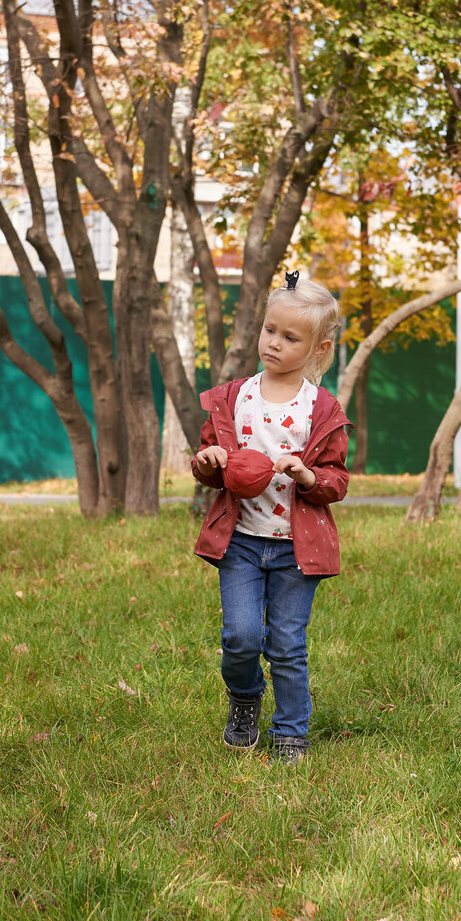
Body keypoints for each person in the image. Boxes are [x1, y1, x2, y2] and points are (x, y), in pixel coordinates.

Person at [190, 272, 350, 764]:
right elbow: (206, 465)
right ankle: (244, 698)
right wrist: (209, 462)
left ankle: (291, 732)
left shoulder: (320, 409)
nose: (274, 343)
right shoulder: (233, 398)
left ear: (319, 348)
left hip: (294, 549)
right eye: (269, 330)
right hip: (239, 540)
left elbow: (336, 481)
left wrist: (306, 475)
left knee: (286, 643)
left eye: (290, 337)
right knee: (240, 638)